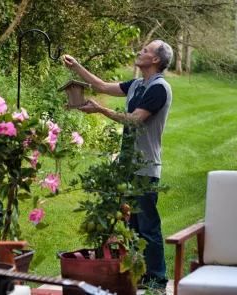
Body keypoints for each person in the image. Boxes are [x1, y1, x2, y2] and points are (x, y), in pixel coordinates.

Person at [63, 40, 173, 290]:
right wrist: (77, 67)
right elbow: (101, 85)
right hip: (126, 165)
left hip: (145, 168)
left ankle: (157, 279)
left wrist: (101, 110)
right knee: (130, 224)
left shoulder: (159, 88)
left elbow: (135, 120)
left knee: (147, 225)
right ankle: (140, 275)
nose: (140, 51)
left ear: (156, 60)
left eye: (145, 50)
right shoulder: (136, 84)